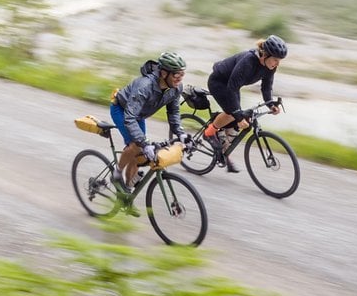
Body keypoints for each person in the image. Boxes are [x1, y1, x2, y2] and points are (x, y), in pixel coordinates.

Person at [202, 35, 287, 172]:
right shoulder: (248, 61)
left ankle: (223, 152)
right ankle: (209, 133)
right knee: (233, 114)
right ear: (265, 55)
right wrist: (238, 116)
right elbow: (231, 88)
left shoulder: (270, 67)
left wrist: (271, 105)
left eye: (280, 61)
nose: (277, 64)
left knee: (235, 118)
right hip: (219, 83)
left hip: (233, 86)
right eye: (275, 60)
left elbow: (266, 87)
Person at [110, 51, 189, 191]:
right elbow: (129, 117)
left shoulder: (175, 88)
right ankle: (117, 173)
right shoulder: (144, 86)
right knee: (137, 146)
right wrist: (144, 143)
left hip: (138, 115)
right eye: (177, 75)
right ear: (164, 73)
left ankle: (127, 191)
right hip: (122, 110)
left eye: (182, 74)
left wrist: (181, 133)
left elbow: (173, 112)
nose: (180, 79)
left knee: (139, 155)